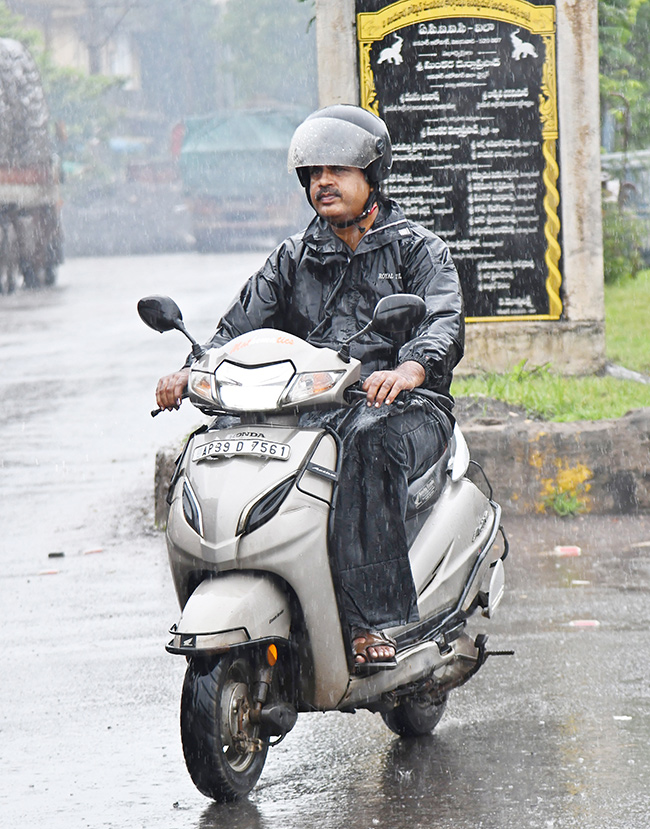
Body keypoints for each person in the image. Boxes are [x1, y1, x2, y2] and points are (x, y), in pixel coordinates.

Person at [156, 105, 464, 670]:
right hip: (309, 406)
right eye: (314, 173)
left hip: (406, 408)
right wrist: (192, 369)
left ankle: (376, 622)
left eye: (338, 170)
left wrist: (409, 368)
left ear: (372, 175)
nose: (323, 182)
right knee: (220, 440)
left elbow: (442, 322)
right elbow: (236, 327)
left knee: (367, 444)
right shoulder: (296, 255)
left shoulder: (418, 249)